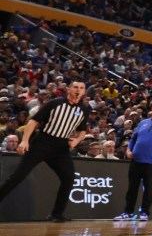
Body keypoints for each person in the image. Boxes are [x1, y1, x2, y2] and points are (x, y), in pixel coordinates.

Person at [0, 80, 87, 222]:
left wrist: (77, 140)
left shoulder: (83, 109)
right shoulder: (55, 103)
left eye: (81, 88)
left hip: (61, 147)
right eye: (76, 87)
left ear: (84, 92)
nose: (78, 90)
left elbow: (83, 130)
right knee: (18, 176)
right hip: (43, 142)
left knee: (69, 177)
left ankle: (56, 214)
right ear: (69, 89)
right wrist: (25, 140)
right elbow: (34, 121)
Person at [114, 99, 152, 221]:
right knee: (132, 188)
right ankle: (128, 212)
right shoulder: (143, 122)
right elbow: (133, 138)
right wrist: (128, 150)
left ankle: (144, 212)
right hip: (136, 159)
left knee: (149, 188)